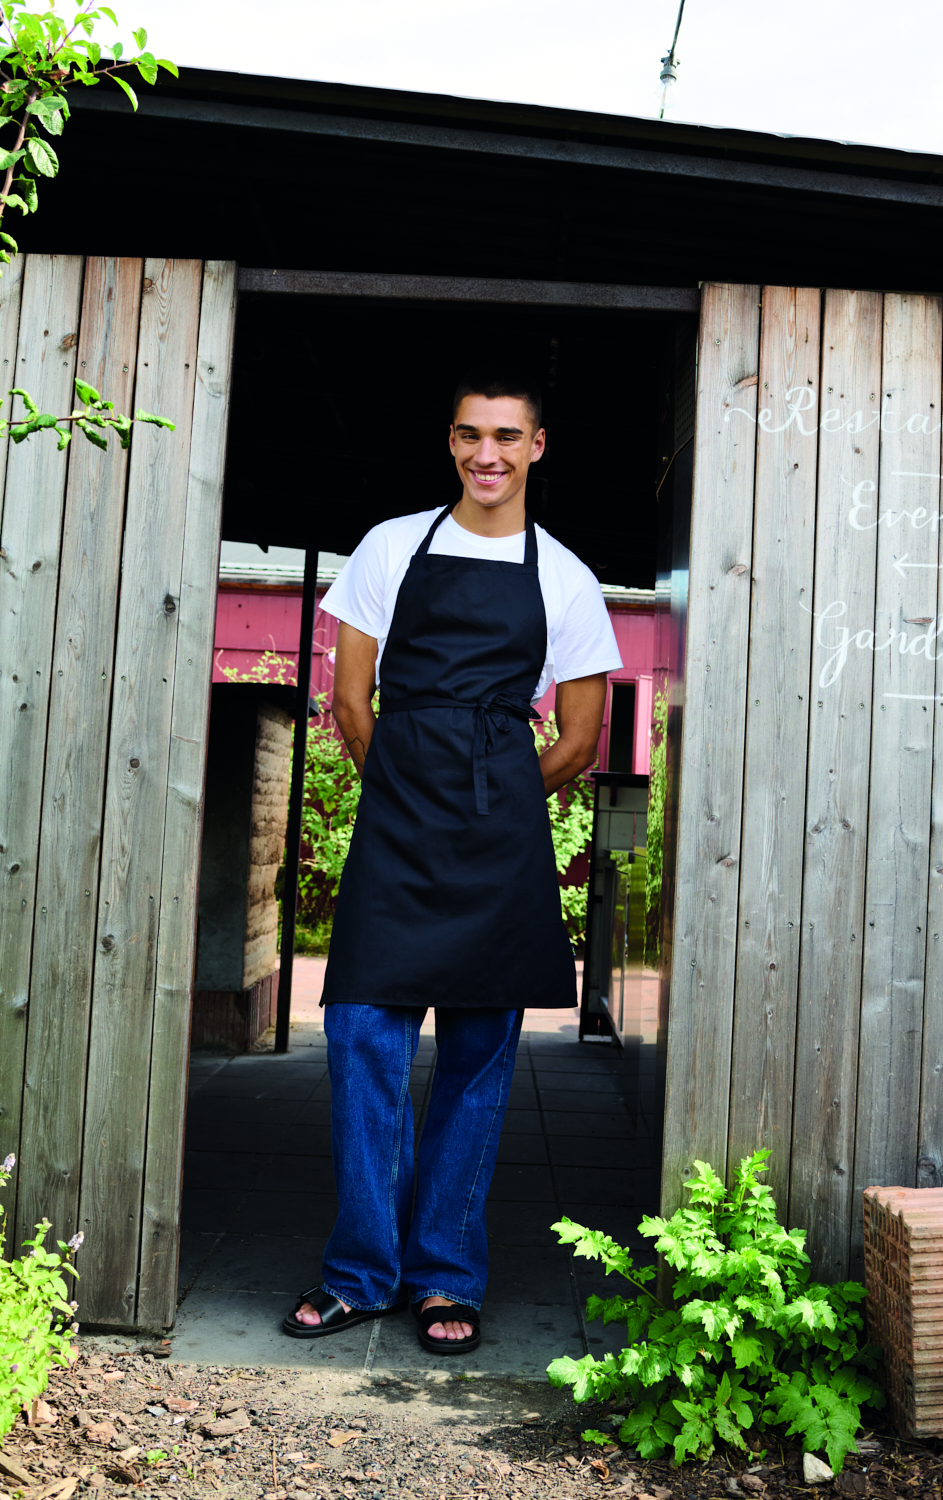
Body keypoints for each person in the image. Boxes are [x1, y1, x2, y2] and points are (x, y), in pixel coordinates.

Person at [282, 372, 622, 1353]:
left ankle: (443, 1276)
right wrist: (407, 787)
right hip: (397, 825)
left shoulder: (562, 574)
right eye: (472, 435)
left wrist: (505, 800)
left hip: (497, 836)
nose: (488, 454)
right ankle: (359, 1271)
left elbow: (582, 734)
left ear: (537, 447)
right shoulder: (391, 546)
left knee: (477, 1057)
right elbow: (351, 702)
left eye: (507, 437)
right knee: (361, 1038)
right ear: (449, 441)